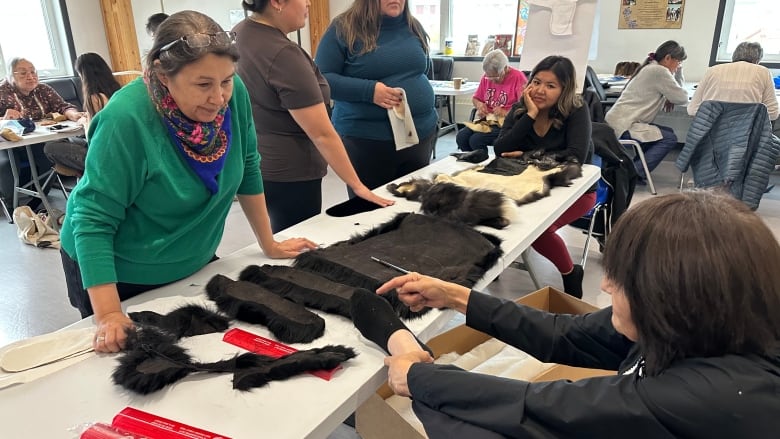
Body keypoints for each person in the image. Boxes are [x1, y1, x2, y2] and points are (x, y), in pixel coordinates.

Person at [349, 191, 780, 438]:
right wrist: (458, 297)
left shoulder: (712, 397)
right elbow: (566, 334)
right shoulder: (704, 327)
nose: (605, 288)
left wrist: (415, 374)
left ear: (677, 298)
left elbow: (539, 406)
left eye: (621, 281)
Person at [58, 10, 318, 354]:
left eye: (225, 80)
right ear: (164, 76)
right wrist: (108, 314)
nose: (219, 97)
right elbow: (92, 221)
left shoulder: (232, 93)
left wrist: (268, 242)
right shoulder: (126, 119)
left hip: (190, 257)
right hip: (118, 273)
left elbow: (249, 165)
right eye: (203, 84)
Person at [233, 0, 393, 233]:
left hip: (258, 161)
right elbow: (321, 133)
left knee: (282, 234)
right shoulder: (283, 54)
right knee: (299, 239)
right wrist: (358, 186)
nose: (309, 2)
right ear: (277, 2)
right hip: (291, 171)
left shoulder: (241, 32)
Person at [493, 55, 594, 298]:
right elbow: (500, 149)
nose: (540, 90)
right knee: (491, 211)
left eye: (551, 86)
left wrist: (526, 155)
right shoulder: (521, 109)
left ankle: (570, 273)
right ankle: (494, 262)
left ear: (564, 90)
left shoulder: (576, 109)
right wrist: (529, 115)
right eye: (536, 82)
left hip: (574, 190)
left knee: (539, 230)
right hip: (526, 185)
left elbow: (575, 157)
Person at [314, 0, 438, 197]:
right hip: (367, 141)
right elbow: (321, 79)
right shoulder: (343, 28)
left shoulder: (413, 26)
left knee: (413, 208)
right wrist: (369, 91)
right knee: (370, 211)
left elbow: (419, 72)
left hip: (419, 135)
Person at [0, 57, 86, 207]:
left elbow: (63, 106)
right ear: (11, 76)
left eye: (33, 72)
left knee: (48, 153)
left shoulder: (43, 89)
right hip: (11, 143)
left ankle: (39, 199)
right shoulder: (2, 92)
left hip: (40, 139)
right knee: (7, 163)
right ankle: (12, 205)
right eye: (23, 73)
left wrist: (75, 115)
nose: (30, 76)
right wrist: (4, 119)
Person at [605, 40, 689, 183]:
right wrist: (676, 79)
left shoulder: (652, 67)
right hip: (624, 125)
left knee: (665, 132)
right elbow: (682, 97)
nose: (678, 66)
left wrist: (675, 80)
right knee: (669, 138)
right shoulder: (658, 71)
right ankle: (630, 174)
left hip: (622, 121)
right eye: (678, 62)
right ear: (668, 58)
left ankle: (633, 169)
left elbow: (676, 94)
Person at [43, 52, 121, 173]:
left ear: (84, 75)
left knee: (50, 148)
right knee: (68, 141)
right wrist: (89, 116)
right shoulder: (118, 92)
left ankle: (93, 173)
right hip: (119, 148)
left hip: (103, 155)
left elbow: (93, 136)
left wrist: (85, 122)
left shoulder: (95, 98)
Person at [455, 49, 527, 153]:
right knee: (461, 137)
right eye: (489, 77)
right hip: (488, 120)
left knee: (476, 140)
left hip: (506, 123)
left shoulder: (518, 78)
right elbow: (476, 98)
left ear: (505, 68)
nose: (492, 80)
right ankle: (471, 162)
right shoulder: (486, 77)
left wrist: (506, 113)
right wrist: (480, 105)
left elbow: (525, 108)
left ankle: (483, 164)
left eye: (496, 77)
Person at [687, 41, 778, 121]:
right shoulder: (763, 72)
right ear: (757, 60)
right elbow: (773, 113)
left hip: (710, 134)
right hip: (746, 135)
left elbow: (692, 110)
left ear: (734, 56)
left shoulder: (712, 70)